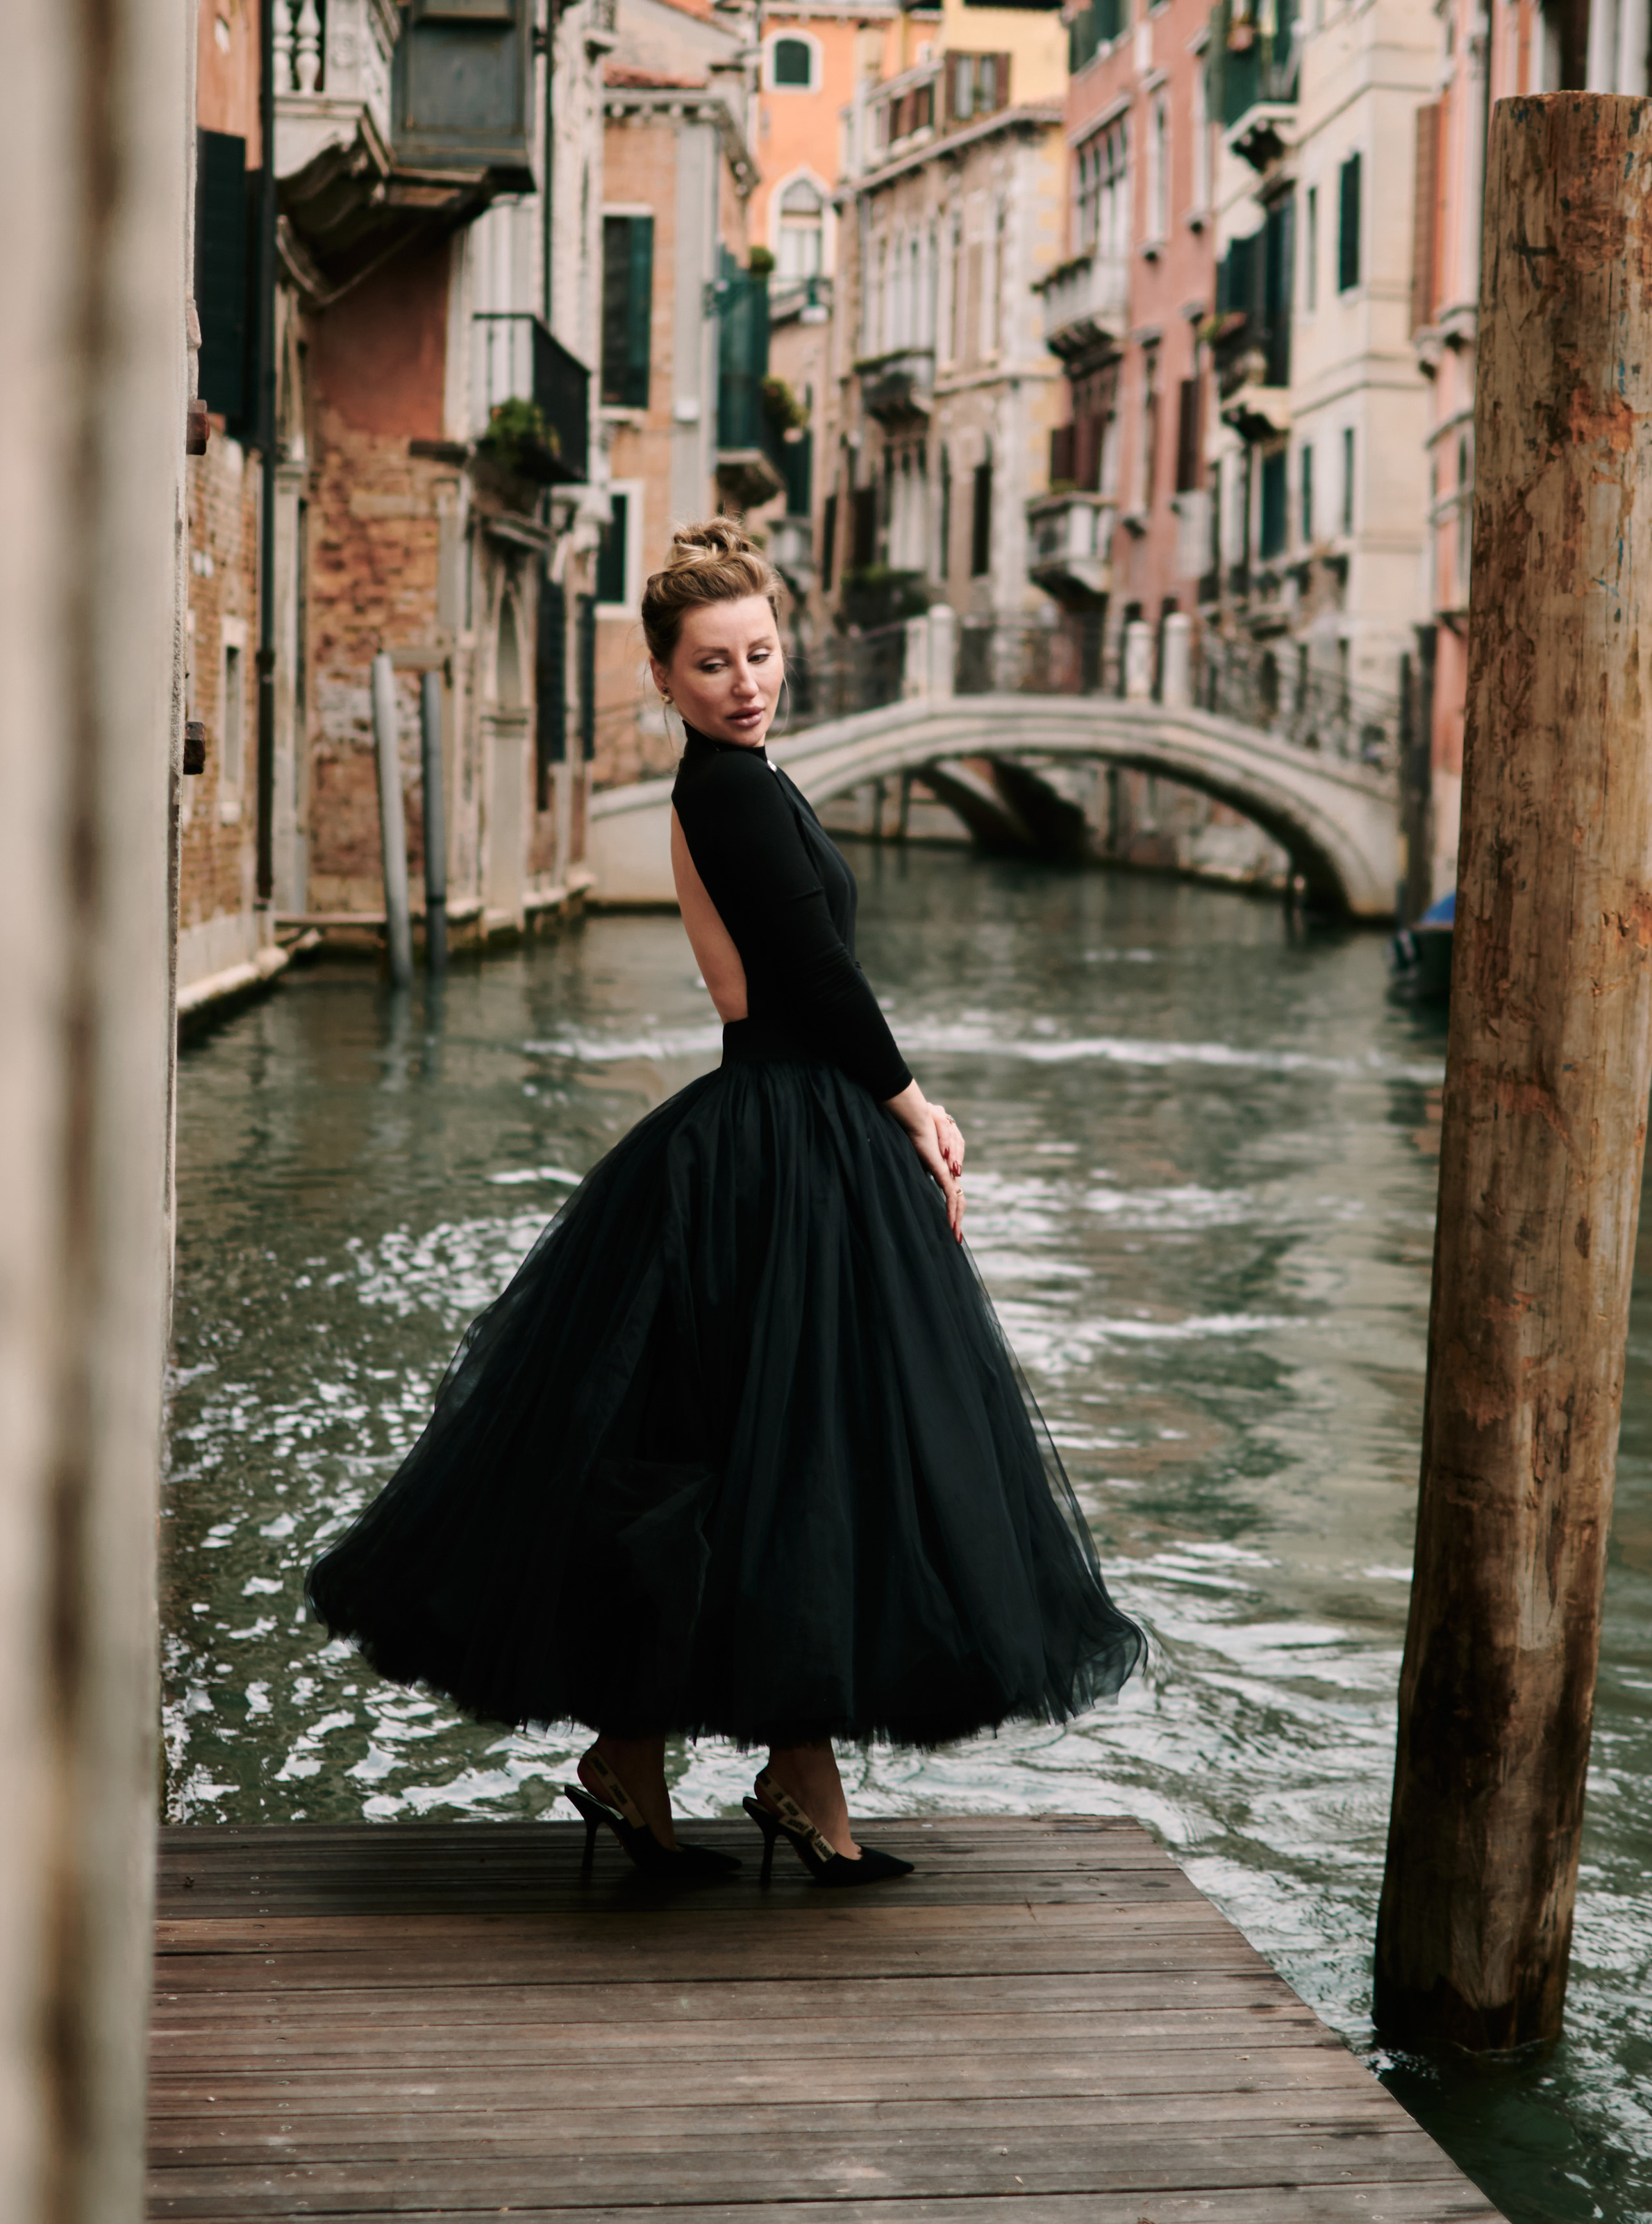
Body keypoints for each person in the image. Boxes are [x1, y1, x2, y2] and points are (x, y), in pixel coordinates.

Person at [308, 519, 1143, 1888]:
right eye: (712, 663)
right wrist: (916, 1106)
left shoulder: (742, 779)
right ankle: (756, 1778)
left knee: (746, 1452)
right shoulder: (736, 794)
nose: (744, 679)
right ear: (661, 675)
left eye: (760, 654)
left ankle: (671, 1766)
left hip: (774, 1137)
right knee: (790, 1457)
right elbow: (808, 977)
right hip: (786, 1138)